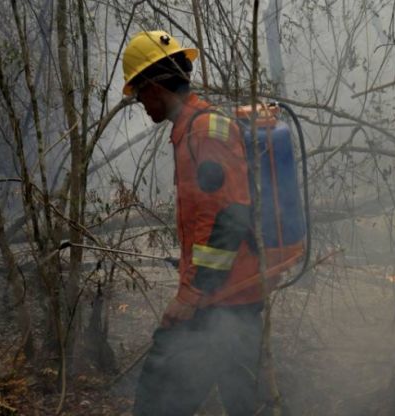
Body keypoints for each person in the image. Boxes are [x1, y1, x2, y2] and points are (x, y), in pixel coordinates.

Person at [122, 30, 265, 416]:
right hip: (228, 297)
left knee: (157, 400)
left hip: (222, 299)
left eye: (138, 95)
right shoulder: (190, 129)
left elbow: (229, 215)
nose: (140, 104)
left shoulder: (205, 131)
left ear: (153, 87)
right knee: (245, 400)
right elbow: (207, 216)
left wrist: (192, 293)